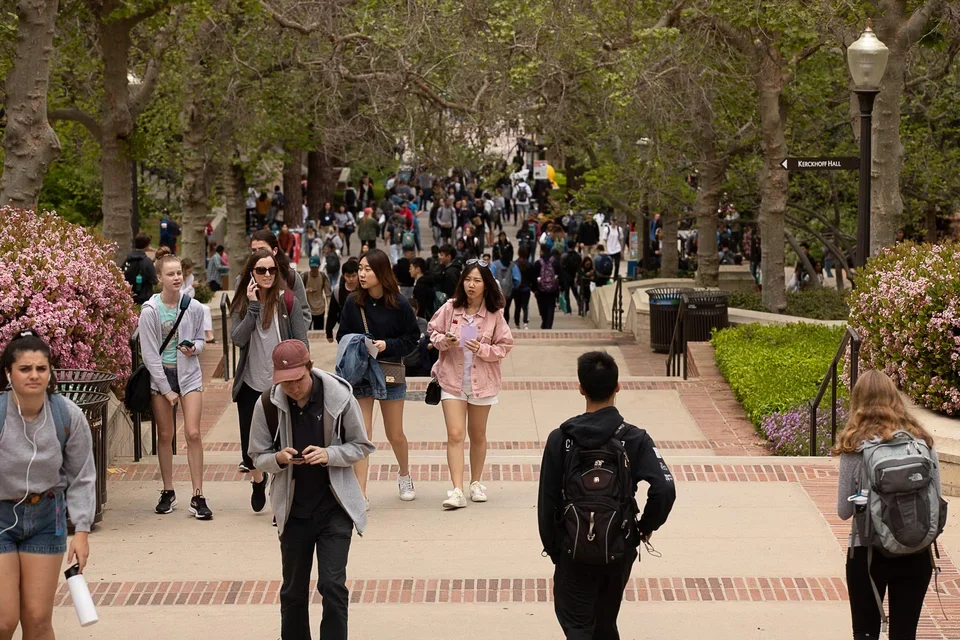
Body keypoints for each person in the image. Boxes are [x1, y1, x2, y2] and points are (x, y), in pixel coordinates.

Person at [538, 351, 676, 640]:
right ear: (617, 387)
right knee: (604, 622)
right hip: (617, 547)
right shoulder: (635, 438)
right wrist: (643, 529)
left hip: (571, 549)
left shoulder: (560, 439)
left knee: (577, 626)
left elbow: (547, 501)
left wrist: (557, 549)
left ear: (580, 387)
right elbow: (664, 488)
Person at [247, 340, 374, 640]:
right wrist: (278, 459)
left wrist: (330, 454)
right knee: (293, 589)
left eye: (298, 380)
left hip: (335, 508)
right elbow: (256, 455)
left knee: (332, 585)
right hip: (293, 511)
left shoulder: (340, 397)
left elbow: (362, 445)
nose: (292, 388)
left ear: (310, 366)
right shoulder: (267, 403)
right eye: (284, 382)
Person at [0, 330, 96, 639]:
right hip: (1, 515)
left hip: (47, 517)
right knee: (3, 619)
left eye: (41, 368)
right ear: (8, 373)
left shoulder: (67, 415)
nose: (34, 375)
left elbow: (82, 475)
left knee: (38, 618)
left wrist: (81, 531)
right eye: (25, 369)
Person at [835, 370, 941, 640]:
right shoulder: (922, 442)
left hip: (868, 553)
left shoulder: (854, 445)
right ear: (895, 397)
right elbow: (936, 500)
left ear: (857, 401)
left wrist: (865, 498)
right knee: (905, 634)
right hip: (916, 548)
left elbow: (844, 511)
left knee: (865, 633)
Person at [336, 249, 420, 505]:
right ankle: (361, 492)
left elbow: (412, 339)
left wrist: (387, 345)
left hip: (389, 371)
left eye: (367, 269)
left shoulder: (399, 303)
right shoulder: (353, 302)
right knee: (362, 433)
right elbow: (342, 336)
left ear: (381, 272)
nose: (361, 274)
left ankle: (404, 474)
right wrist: (358, 343)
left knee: (395, 433)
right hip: (361, 374)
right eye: (360, 269)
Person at [429, 260, 514, 509]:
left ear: (486, 285)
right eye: (468, 280)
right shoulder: (449, 308)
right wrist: (446, 340)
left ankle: (475, 482)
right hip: (451, 381)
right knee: (455, 435)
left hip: (482, 383)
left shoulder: (494, 315)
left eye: (477, 280)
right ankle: (456, 489)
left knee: (477, 435)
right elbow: (432, 333)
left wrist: (483, 349)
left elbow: (505, 345)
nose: (471, 285)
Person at [230, 248, 309, 512]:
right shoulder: (242, 303)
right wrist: (253, 307)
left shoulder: (287, 301)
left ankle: (280, 496)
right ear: (251, 273)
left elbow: (301, 342)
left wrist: (304, 375)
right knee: (251, 447)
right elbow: (238, 339)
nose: (267, 274)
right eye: (261, 270)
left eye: (272, 270)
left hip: (282, 384)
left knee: (283, 442)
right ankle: (257, 480)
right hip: (251, 384)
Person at [139, 248, 212, 518]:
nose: (176, 278)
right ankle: (168, 490)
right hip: (162, 376)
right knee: (166, 435)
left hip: (189, 373)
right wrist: (166, 389)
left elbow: (203, 339)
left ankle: (198, 494)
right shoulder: (149, 311)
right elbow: (148, 354)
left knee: (193, 433)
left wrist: (196, 348)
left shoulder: (192, 307)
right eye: (170, 274)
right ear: (159, 277)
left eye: (179, 273)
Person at [250, 229, 312, 329]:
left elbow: (304, 314)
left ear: (274, 251)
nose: (257, 254)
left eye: (262, 249)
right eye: (254, 251)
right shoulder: (244, 279)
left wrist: (293, 339)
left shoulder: (291, 277)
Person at [325, 258, 360, 344]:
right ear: (343, 275)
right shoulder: (338, 290)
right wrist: (329, 331)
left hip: (361, 329)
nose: (351, 279)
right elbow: (332, 312)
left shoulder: (364, 289)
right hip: (345, 330)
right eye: (348, 276)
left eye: (354, 276)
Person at [123, 232, 158, 305]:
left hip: (129, 297)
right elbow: (154, 280)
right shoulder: (147, 261)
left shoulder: (128, 259)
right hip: (144, 298)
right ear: (147, 245)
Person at [532, 244, 561, 330]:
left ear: (541, 251)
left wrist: (534, 289)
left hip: (541, 290)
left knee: (542, 307)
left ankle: (544, 321)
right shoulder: (555, 262)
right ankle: (548, 325)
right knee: (551, 307)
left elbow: (533, 278)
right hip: (553, 290)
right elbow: (560, 276)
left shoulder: (538, 263)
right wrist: (561, 287)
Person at [303, 255, 332, 331]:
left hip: (320, 309)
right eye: (312, 267)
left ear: (319, 266)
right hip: (308, 309)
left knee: (319, 331)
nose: (314, 269)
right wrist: (306, 290)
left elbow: (328, 293)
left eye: (315, 267)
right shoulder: (304, 276)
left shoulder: (323, 276)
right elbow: (298, 292)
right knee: (306, 331)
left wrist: (329, 306)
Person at [490, 251, 520, 322]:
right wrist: (513, 287)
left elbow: (490, 278)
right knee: (506, 309)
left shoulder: (494, 265)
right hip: (508, 293)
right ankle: (505, 324)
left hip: (496, 293)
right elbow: (517, 279)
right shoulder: (513, 265)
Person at [513, 245, 534, 330]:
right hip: (526, 288)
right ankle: (525, 322)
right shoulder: (529, 264)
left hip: (517, 288)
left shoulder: (515, 264)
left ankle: (517, 323)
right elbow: (532, 277)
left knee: (517, 306)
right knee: (525, 306)